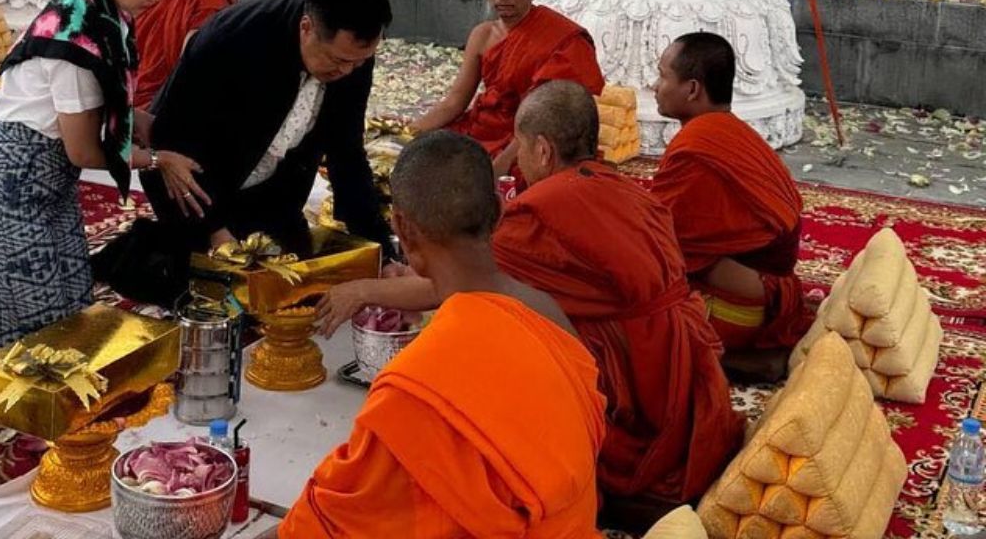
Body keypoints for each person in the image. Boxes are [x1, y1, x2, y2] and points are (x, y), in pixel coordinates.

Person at [317, 82, 743, 514]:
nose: (517, 158)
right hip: (688, 370)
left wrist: (362, 290)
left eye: (519, 146)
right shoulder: (625, 187)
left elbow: (461, 282)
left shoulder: (542, 211)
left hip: (636, 389)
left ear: (541, 150)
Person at [262, 132, 607, 539]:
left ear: (402, 229)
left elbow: (335, 522)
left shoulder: (416, 383)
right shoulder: (550, 317)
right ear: (499, 211)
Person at [0, 0, 208, 361]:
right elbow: (83, 150)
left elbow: (107, 103)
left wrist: (144, 120)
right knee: (30, 345)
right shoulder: (75, 39)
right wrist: (158, 160)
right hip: (9, 185)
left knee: (71, 312)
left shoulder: (99, 2)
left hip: (47, 183)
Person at [143, 0, 394, 258]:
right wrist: (214, 231)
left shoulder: (353, 56)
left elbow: (346, 151)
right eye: (338, 61)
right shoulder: (232, 38)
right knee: (203, 280)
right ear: (306, 28)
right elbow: (172, 141)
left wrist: (379, 248)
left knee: (297, 276)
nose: (347, 72)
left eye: (358, 62)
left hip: (275, 194)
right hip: (196, 188)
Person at [651, 32, 809, 367]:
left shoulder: (694, 150)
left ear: (692, 89)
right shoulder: (734, 131)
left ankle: (736, 358)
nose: (655, 86)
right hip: (773, 289)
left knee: (625, 307)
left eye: (663, 76)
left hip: (745, 309)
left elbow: (658, 238)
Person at [411, 0, 605, 177]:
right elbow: (455, 101)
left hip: (529, 139)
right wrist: (409, 133)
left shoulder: (559, 38)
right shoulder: (482, 35)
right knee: (426, 158)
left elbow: (544, 120)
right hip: (481, 130)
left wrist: (500, 165)